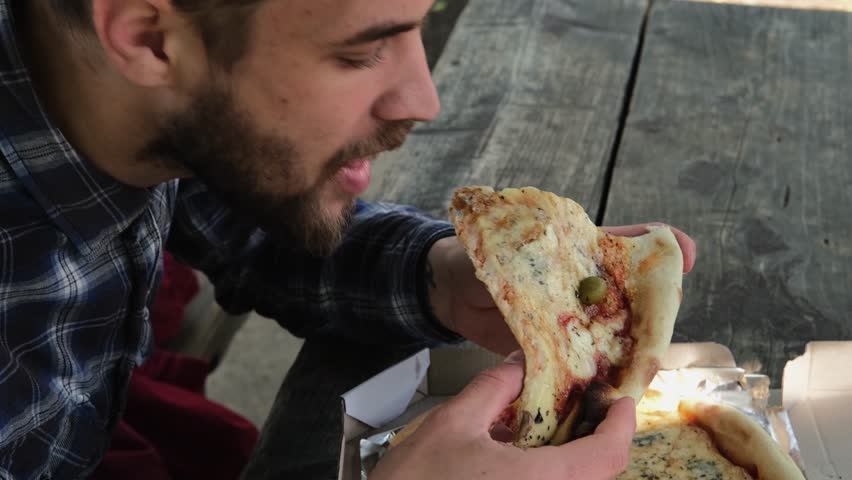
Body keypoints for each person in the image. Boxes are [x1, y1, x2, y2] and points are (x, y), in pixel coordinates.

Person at [0, 1, 697, 479]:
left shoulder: (137, 108)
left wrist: (439, 277)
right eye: (362, 51)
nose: (424, 101)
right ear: (148, 37)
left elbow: (246, 225)